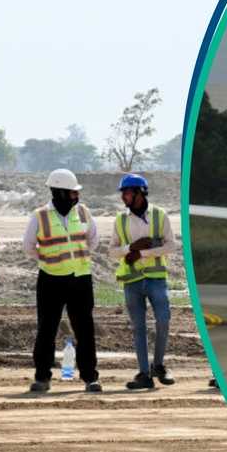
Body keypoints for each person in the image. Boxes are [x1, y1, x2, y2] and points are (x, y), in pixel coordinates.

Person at [23, 168, 102, 393]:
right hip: (51, 280)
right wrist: (49, 259)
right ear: (58, 192)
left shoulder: (84, 212)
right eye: (72, 193)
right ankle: (42, 377)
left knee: (85, 330)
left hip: (80, 279)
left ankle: (90, 377)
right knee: (46, 329)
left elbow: (93, 240)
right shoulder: (39, 216)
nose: (76, 197)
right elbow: (28, 247)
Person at [109, 173, 176, 390]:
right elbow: (112, 251)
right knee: (139, 328)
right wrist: (130, 248)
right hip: (132, 281)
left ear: (140, 193)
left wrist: (142, 253)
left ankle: (158, 365)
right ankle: (144, 374)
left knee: (163, 320)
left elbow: (171, 246)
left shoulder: (159, 215)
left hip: (156, 278)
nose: (123, 197)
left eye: (127, 192)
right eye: (123, 193)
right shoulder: (120, 220)